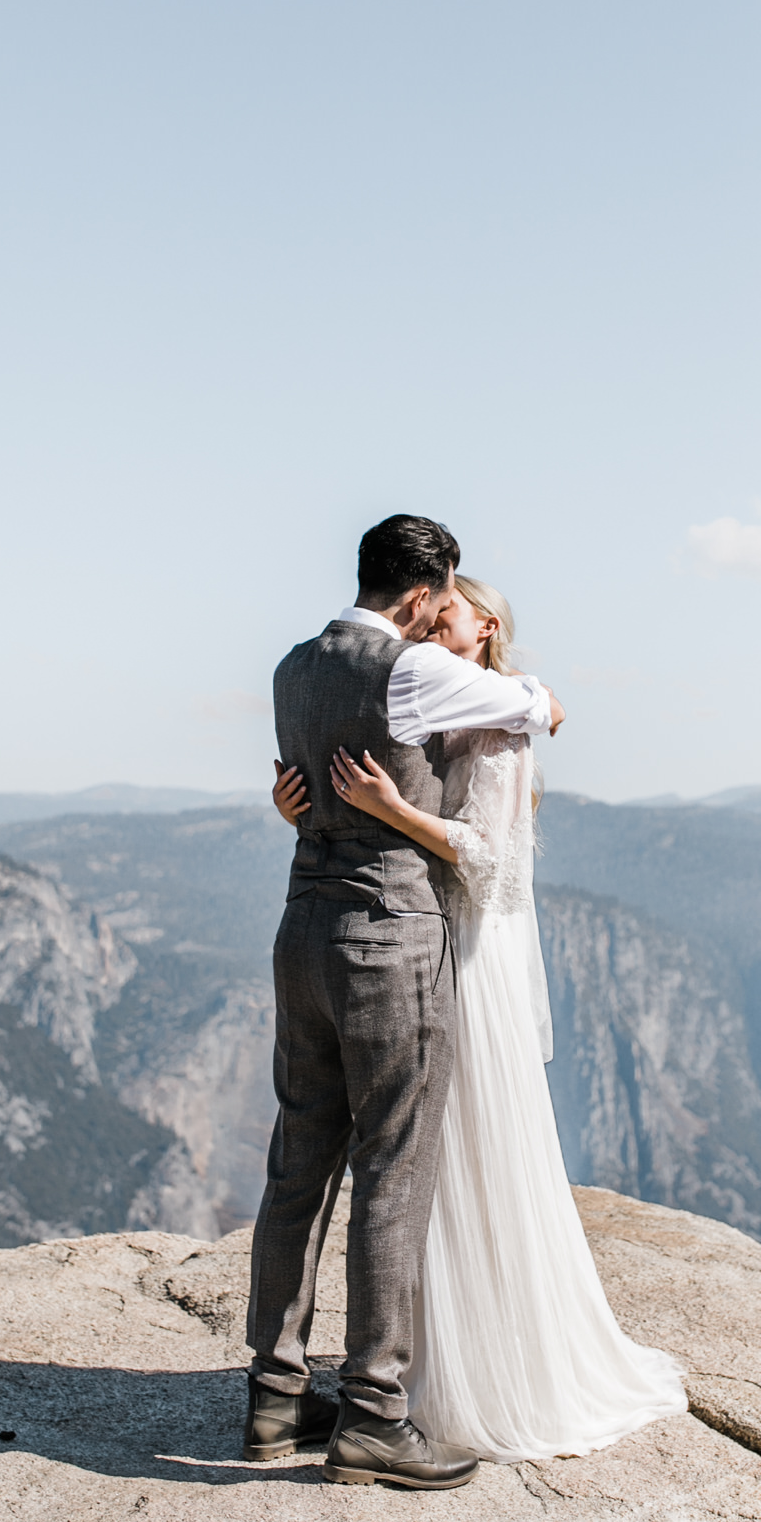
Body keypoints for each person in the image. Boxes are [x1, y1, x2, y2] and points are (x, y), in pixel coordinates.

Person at [275, 572, 686, 1463]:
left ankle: (466, 1368)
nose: (429, 625)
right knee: (417, 1159)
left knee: (442, 1153)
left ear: (482, 624)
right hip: (411, 941)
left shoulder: (498, 725)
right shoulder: (423, 699)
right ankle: (406, 1371)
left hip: (463, 948)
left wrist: (392, 810)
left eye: (448, 614)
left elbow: (490, 861)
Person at [245, 514, 564, 1490]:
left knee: (298, 1162)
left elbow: (301, 788)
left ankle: (273, 1395)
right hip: (386, 941)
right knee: (391, 1168)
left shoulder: (292, 668)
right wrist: (526, 691)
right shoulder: (415, 670)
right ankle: (376, 1411)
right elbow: (539, 706)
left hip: (300, 930)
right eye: (442, 600)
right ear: (423, 597)